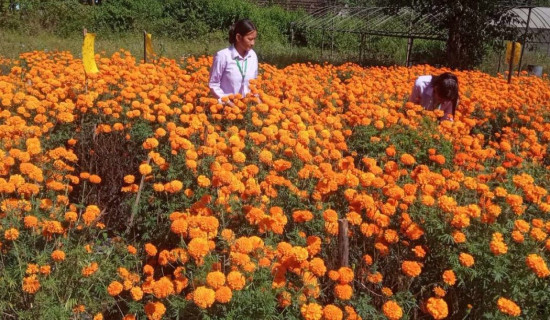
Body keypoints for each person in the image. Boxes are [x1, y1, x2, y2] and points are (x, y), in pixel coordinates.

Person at [209, 19, 258, 104]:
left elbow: (254, 82)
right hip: (227, 108)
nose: (253, 43)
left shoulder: (253, 56)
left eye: (254, 39)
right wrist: (227, 102)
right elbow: (213, 84)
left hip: (247, 106)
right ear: (238, 37)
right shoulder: (223, 56)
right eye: (250, 39)